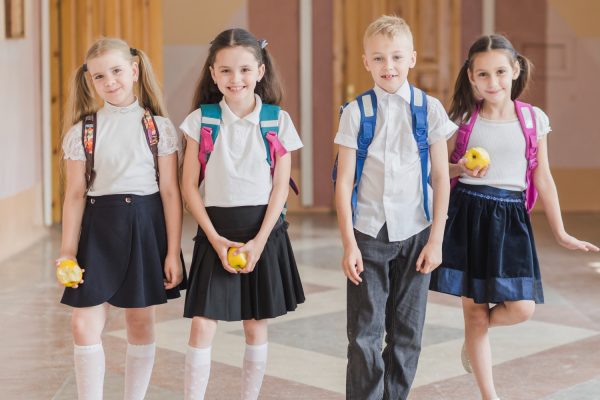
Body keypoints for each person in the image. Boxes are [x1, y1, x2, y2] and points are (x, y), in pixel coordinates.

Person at [429, 34, 599, 400]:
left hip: (510, 219)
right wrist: (460, 165)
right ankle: (490, 394)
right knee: (475, 312)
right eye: (484, 75)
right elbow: (438, 172)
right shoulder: (460, 118)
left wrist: (561, 231)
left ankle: (473, 340)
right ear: (472, 78)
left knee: (521, 308)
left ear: (516, 70)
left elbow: (544, 176)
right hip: (468, 215)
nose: (494, 82)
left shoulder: (534, 119)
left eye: (501, 72)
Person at [334, 15, 456, 400]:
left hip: (417, 232)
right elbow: (343, 182)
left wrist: (436, 240)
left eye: (397, 57)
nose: (389, 66)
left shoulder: (430, 109)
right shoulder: (355, 112)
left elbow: (441, 179)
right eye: (380, 58)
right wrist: (349, 244)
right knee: (365, 334)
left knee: (408, 333)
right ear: (366, 62)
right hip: (369, 232)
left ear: (412, 59)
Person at [180, 28, 305, 400]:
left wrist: (259, 242)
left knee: (255, 324)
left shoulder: (277, 121)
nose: (236, 79)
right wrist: (214, 239)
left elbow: (281, 189)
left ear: (261, 71)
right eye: (226, 71)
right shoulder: (199, 121)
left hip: (262, 232)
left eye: (245, 70)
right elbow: (188, 187)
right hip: (215, 231)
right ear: (213, 73)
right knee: (202, 325)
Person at [58, 37, 185, 400]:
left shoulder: (158, 128)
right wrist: (68, 251)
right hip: (98, 231)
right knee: (83, 325)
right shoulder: (83, 131)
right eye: (99, 76)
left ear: (134, 70)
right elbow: (75, 195)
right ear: (90, 81)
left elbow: (171, 193)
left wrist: (172, 252)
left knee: (140, 322)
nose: (109, 81)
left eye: (116, 71)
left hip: (144, 226)